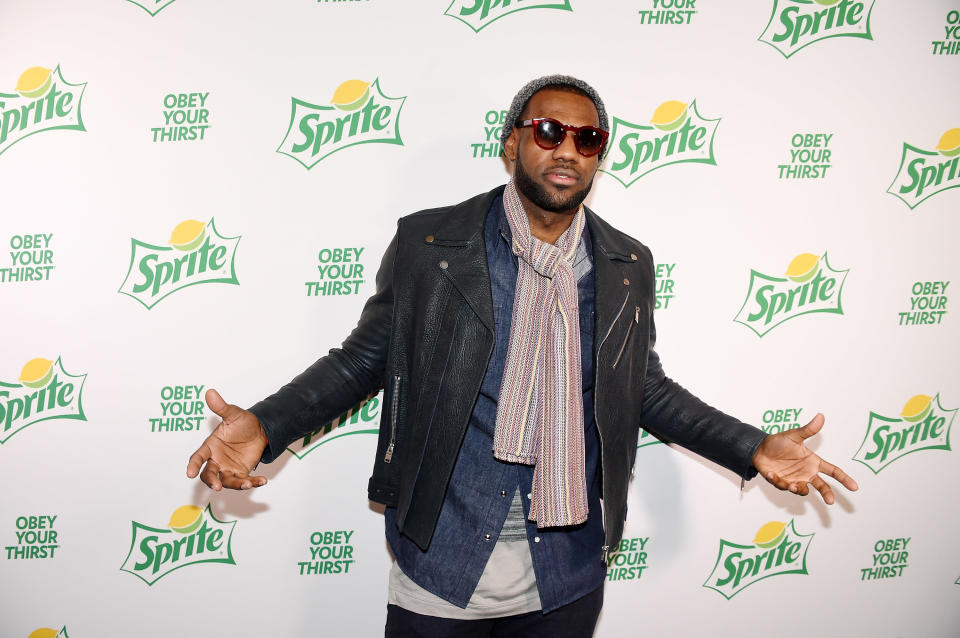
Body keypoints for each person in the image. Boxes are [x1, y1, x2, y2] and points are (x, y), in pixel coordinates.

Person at [187, 75, 858, 637]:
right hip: (441, 561)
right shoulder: (432, 243)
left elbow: (644, 390)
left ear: (599, 157)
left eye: (587, 139)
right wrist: (266, 426)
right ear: (512, 143)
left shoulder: (624, 262)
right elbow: (365, 360)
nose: (567, 149)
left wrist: (752, 447)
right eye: (548, 132)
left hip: (563, 573)